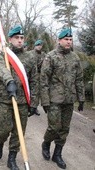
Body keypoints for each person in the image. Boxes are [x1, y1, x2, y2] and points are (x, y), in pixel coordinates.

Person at [0, 25, 38, 170]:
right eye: (16, 38)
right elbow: (0, 69)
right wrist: (9, 81)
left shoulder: (30, 57)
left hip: (22, 101)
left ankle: (11, 158)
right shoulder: (3, 54)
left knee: (19, 132)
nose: (20, 40)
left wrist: (34, 103)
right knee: (3, 129)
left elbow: (34, 80)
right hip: (4, 98)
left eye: (22, 38)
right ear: (10, 39)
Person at [40, 28, 85, 169]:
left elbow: (79, 79)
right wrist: (45, 101)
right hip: (54, 99)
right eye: (66, 39)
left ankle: (57, 154)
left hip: (69, 99)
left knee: (64, 128)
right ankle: (46, 143)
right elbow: (44, 80)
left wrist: (81, 98)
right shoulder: (51, 56)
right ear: (59, 40)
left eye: (71, 40)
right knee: (54, 127)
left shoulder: (75, 57)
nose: (69, 42)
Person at [29, 39, 46, 116]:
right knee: (29, 90)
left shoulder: (44, 55)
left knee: (37, 92)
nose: (39, 47)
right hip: (30, 75)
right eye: (38, 45)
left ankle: (35, 107)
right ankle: (28, 106)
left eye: (40, 45)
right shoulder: (30, 54)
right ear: (35, 46)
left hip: (39, 75)